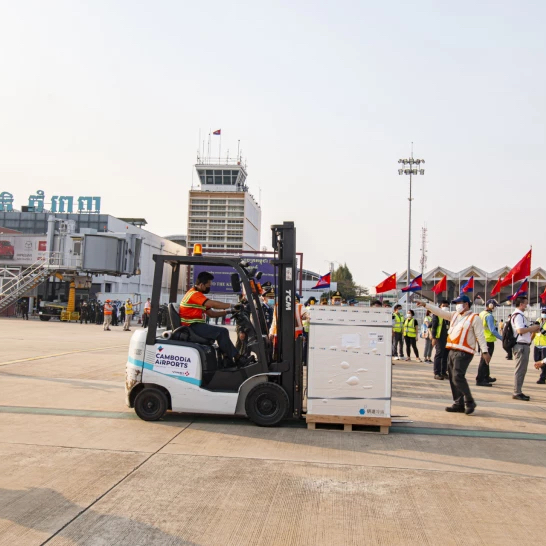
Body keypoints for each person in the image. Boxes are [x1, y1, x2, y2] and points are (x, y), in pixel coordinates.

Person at [417, 295, 490, 415]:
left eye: (459, 303)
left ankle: (469, 401)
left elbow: (480, 335)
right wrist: (426, 305)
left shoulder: (474, 318)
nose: (457, 306)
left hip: (464, 352)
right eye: (456, 303)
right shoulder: (454, 315)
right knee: (452, 378)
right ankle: (458, 403)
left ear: (466, 304)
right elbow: (439, 312)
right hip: (452, 350)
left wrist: (485, 351)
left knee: (457, 376)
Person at [180, 272, 246, 365]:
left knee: (222, 331)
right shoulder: (194, 294)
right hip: (192, 326)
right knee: (222, 332)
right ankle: (237, 357)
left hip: (196, 325)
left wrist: (229, 311)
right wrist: (232, 305)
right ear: (201, 285)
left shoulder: (198, 296)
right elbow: (213, 304)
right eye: (208, 285)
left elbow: (211, 313)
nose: (209, 287)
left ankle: (227, 359)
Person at [511, 296, 540, 401]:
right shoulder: (518, 316)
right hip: (521, 346)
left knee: (522, 370)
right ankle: (517, 392)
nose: (527, 306)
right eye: (526, 304)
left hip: (523, 346)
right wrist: (533, 328)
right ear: (521, 304)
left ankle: (518, 391)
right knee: (520, 370)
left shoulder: (519, 315)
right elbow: (520, 330)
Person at [476, 299, 502, 387]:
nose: (495, 308)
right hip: (488, 340)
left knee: (486, 360)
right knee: (484, 360)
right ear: (491, 306)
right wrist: (502, 338)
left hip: (482, 339)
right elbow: (493, 330)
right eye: (495, 306)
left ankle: (486, 376)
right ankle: (480, 379)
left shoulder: (482, 313)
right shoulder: (489, 316)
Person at [431, 300, 450, 380]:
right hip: (439, 337)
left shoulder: (449, 315)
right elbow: (434, 326)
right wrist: (433, 337)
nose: (445, 307)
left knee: (446, 355)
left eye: (447, 306)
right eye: (443, 306)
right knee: (439, 355)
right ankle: (437, 373)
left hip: (448, 338)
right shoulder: (437, 314)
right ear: (440, 307)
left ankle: (443, 372)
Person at [532, 308, 546, 385]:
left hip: (545, 345)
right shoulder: (538, 320)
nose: (544, 314)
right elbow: (534, 332)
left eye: (545, 312)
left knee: (544, 362)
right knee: (537, 360)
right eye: (543, 312)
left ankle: (542, 378)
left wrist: (541, 329)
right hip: (537, 344)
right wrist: (530, 340)